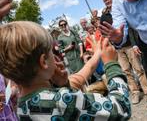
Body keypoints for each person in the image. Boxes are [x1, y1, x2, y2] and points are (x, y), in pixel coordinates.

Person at [0, 21, 131, 120]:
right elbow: (121, 108)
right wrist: (111, 64)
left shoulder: (21, 108)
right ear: (44, 61)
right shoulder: (61, 100)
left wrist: (65, 85)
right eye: (51, 52)